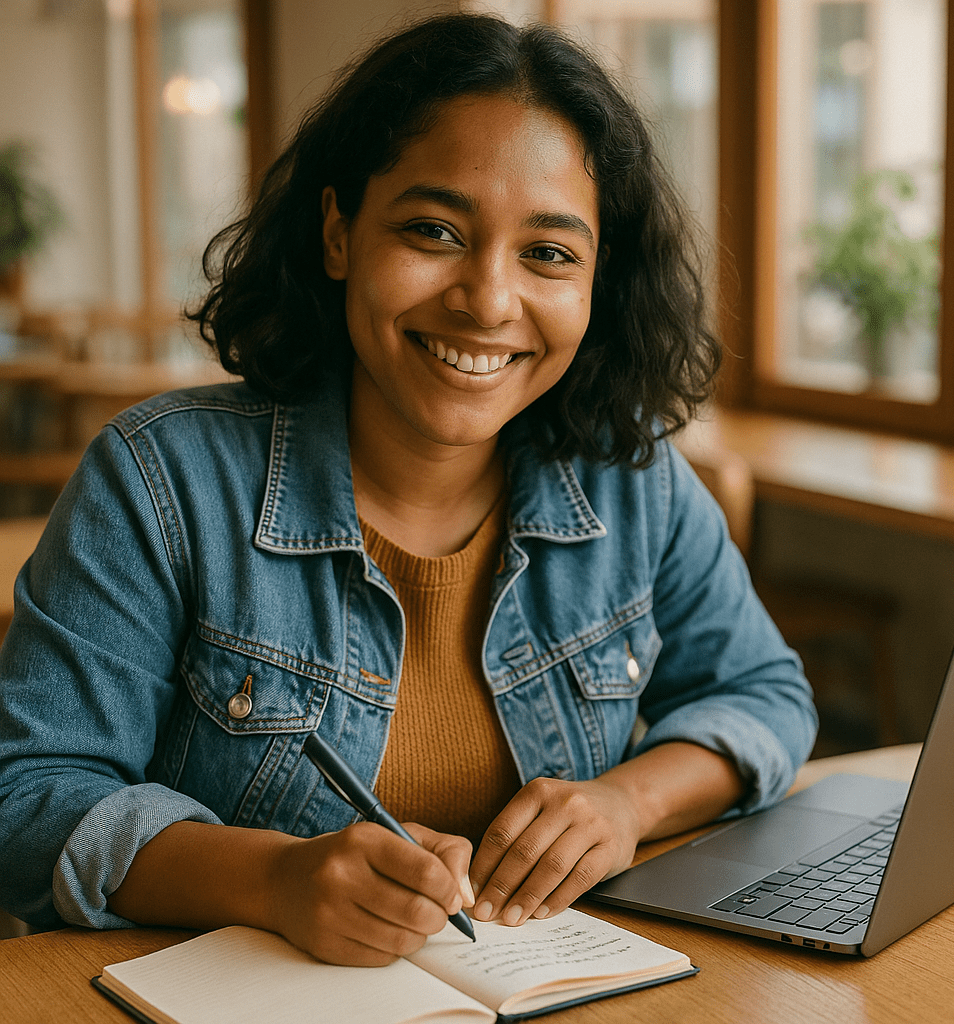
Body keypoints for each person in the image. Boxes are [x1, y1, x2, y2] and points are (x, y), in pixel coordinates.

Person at [0, 13, 816, 966]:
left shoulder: (633, 480)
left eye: (548, 253)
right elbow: (27, 797)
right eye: (433, 230)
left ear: (599, 282)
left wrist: (627, 801)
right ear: (340, 232)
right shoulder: (159, 478)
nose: (487, 299)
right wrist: (270, 879)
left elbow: (763, 694)